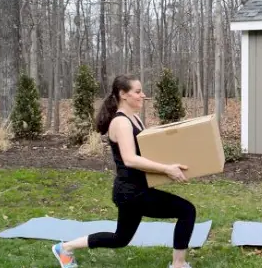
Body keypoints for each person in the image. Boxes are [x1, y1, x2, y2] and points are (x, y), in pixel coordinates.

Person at [51, 74, 197, 268]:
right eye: (138, 91)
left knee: (120, 238)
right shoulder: (121, 123)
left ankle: (65, 248)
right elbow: (130, 159)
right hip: (131, 192)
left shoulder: (135, 118)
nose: (143, 95)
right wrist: (166, 169)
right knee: (187, 210)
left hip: (136, 189)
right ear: (123, 94)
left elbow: (146, 150)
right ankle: (178, 264)